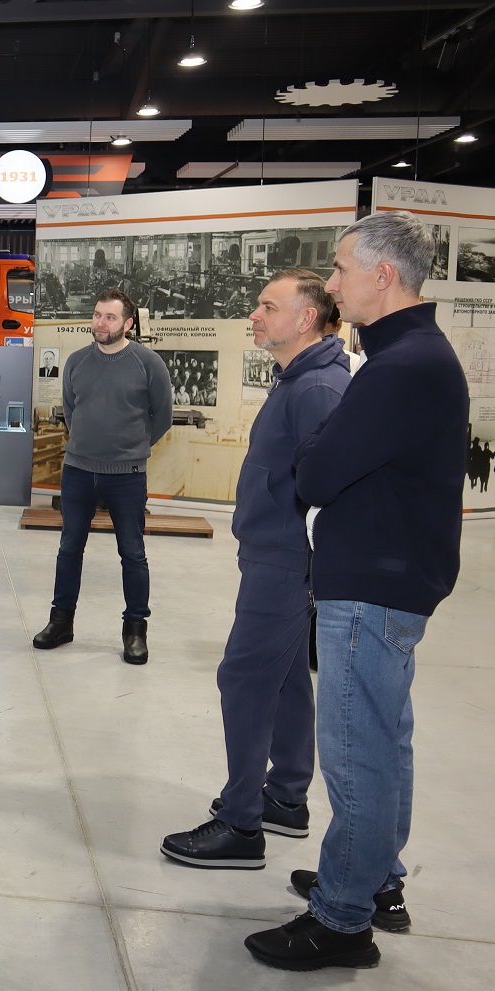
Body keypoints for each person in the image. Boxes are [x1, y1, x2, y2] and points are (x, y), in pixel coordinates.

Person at [245, 210, 468, 971]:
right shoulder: (414, 357)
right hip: (391, 579)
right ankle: (373, 879)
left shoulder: (401, 367)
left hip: (372, 585)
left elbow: (316, 472)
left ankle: (342, 920)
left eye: (340, 270)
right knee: (384, 738)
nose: (333, 286)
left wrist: (314, 450)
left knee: (356, 751)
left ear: (383, 274)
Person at [161, 271, 350, 869]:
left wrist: (302, 560)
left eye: (269, 306)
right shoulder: (300, 379)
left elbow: (329, 488)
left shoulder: (316, 389)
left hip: (286, 559)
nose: (255, 314)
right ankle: (287, 796)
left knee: (243, 678)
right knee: (287, 675)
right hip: (278, 552)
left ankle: (241, 825)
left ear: (306, 318)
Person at [30, 289, 172, 664]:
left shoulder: (148, 363)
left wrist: (133, 448)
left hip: (127, 475)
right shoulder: (77, 362)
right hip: (78, 472)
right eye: (97, 315)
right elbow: (71, 411)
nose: (100, 323)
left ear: (128, 323)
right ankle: (61, 622)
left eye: (110, 317)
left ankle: (135, 630)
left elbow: (162, 417)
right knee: (69, 549)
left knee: (133, 554)